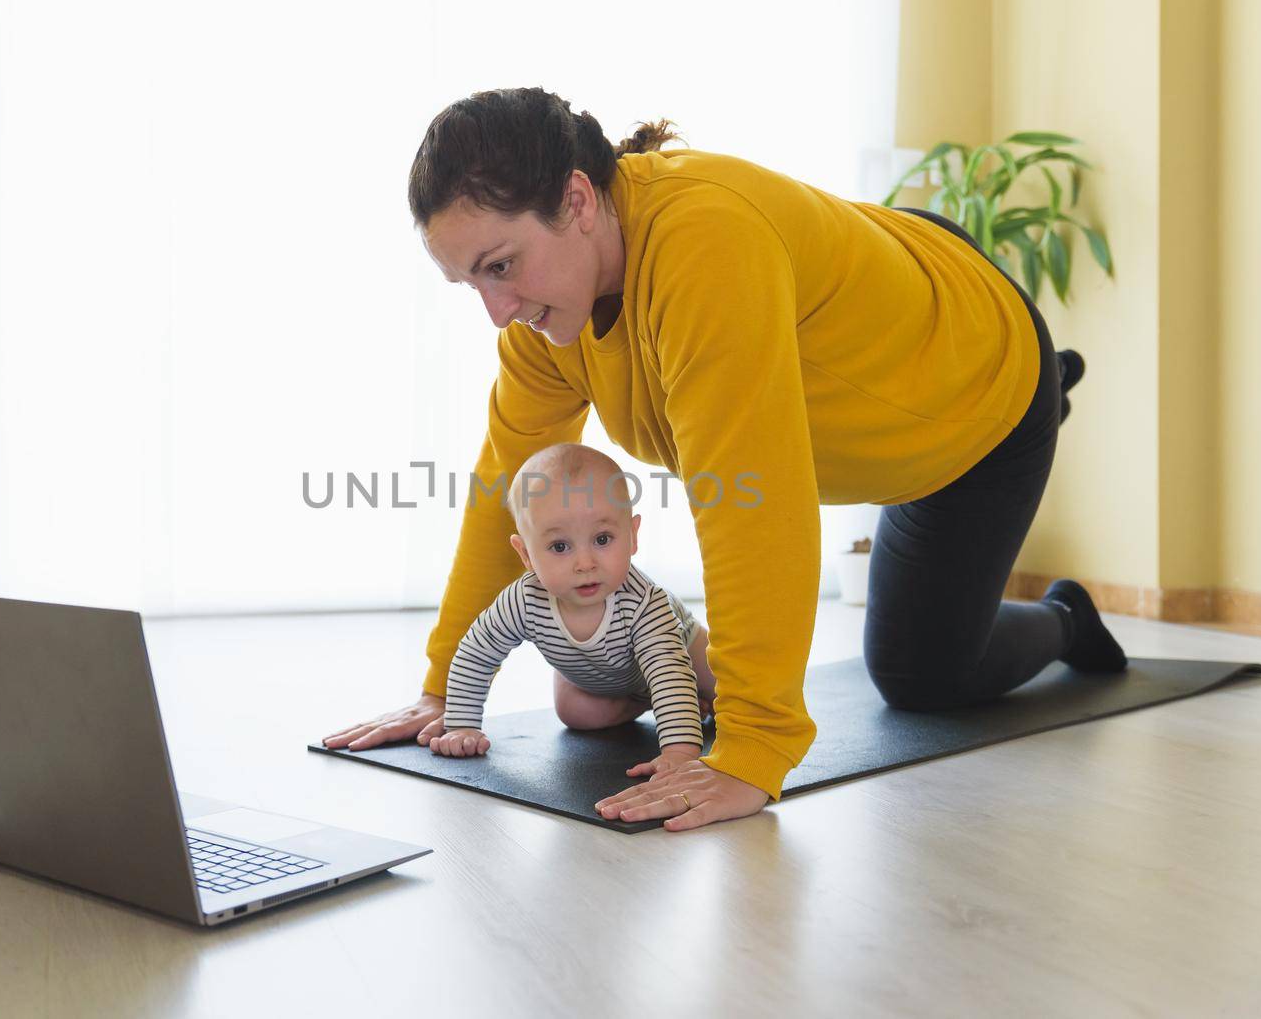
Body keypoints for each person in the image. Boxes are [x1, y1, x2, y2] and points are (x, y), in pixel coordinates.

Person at [323, 86, 1127, 832]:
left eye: (501, 266)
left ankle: (1066, 614)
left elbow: (750, 498)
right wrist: (442, 691)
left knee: (923, 680)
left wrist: (752, 747)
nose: (497, 310)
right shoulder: (547, 319)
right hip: (894, 324)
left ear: (576, 200)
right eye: (472, 284)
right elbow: (508, 484)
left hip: (979, 385)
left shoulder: (703, 246)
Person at [430, 442, 714, 783]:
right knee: (574, 713)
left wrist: (679, 752)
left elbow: (670, 672)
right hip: (601, 679)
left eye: (603, 539)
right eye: (560, 547)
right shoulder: (523, 600)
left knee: (724, 685)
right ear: (526, 554)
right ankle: (649, 703)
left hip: (682, 654)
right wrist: (462, 725)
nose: (585, 563)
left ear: (633, 536)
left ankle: (690, 705)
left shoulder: (645, 603)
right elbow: (477, 651)